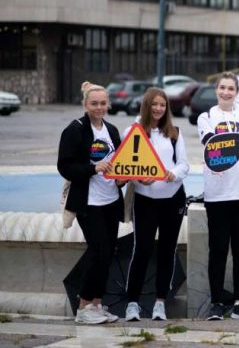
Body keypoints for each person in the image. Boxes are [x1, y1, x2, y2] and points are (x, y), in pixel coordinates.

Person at [197, 72, 239, 321]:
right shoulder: (206, 117)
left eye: (231, 89)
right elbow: (211, 145)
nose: (226, 92)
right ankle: (216, 302)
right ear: (216, 90)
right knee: (218, 249)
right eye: (222, 88)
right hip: (218, 194)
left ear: (237, 92)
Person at [57, 81, 124, 324]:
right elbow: (65, 166)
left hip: (111, 201)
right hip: (88, 203)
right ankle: (83, 307)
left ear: (108, 104)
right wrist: (93, 168)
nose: (99, 108)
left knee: (108, 253)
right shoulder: (75, 130)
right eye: (94, 103)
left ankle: (97, 304)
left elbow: (119, 164)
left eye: (103, 103)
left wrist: (122, 179)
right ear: (85, 104)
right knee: (98, 252)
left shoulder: (112, 130)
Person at [124, 87, 189, 322]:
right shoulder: (133, 131)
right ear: (146, 105)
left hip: (172, 199)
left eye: (162, 105)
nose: (158, 108)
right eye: (154, 104)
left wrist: (173, 174)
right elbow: (126, 167)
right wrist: (139, 179)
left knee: (167, 251)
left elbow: (184, 165)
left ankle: (160, 303)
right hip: (145, 200)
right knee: (141, 250)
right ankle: (132, 303)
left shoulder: (174, 132)